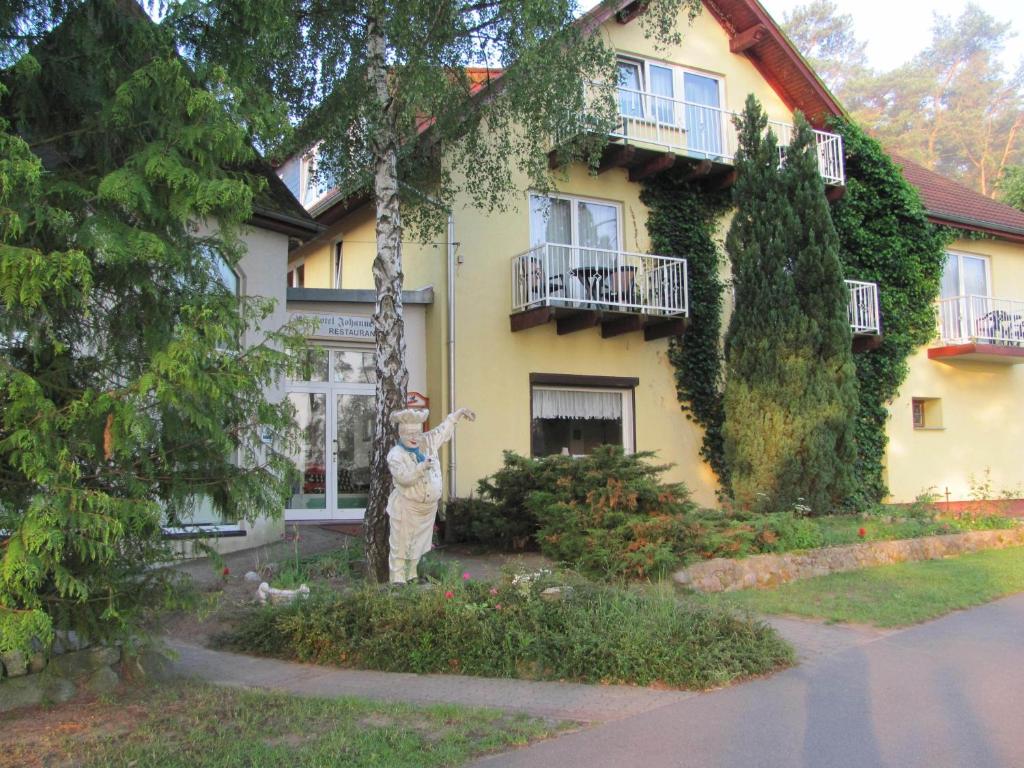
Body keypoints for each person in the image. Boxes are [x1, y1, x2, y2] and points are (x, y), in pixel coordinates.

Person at [386, 407, 475, 583]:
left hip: (427, 509)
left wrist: (457, 415)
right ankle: (397, 578)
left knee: (418, 544)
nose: (414, 438)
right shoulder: (396, 454)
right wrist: (421, 467)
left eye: (417, 433)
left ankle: (411, 575)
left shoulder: (426, 442)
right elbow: (404, 477)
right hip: (407, 506)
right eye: (408, 433)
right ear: (400, 434)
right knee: (402, 543)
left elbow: (442, 430)